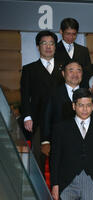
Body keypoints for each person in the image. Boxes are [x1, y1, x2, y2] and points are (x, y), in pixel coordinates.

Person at [20, 30, 64, 173]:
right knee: (38, 157)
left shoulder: (64, 68)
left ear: (55, 47)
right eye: (44, 43)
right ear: (38, 47)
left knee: (61, 157)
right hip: (38, 120)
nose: (48, 46)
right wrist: (27, 116)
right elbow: (25, 95)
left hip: (60, 119)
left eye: (51, 43)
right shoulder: (29, 69)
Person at [41, 60, 83, 157]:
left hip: (82, 144)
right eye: (71, 70)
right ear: (63, 73)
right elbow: (46, 117)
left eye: (79, 71)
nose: (75, 74)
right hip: (59, 142)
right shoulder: (53, 93)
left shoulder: (88, 93)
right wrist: (45, 141)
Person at [55, 18, 91, 87]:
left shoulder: (83, 51)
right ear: (61, 31)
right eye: (68, 34)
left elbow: (87, 74)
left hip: (80, 92)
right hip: (60, 91)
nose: (71, 37)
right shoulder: (54, 50)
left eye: (74, 34)